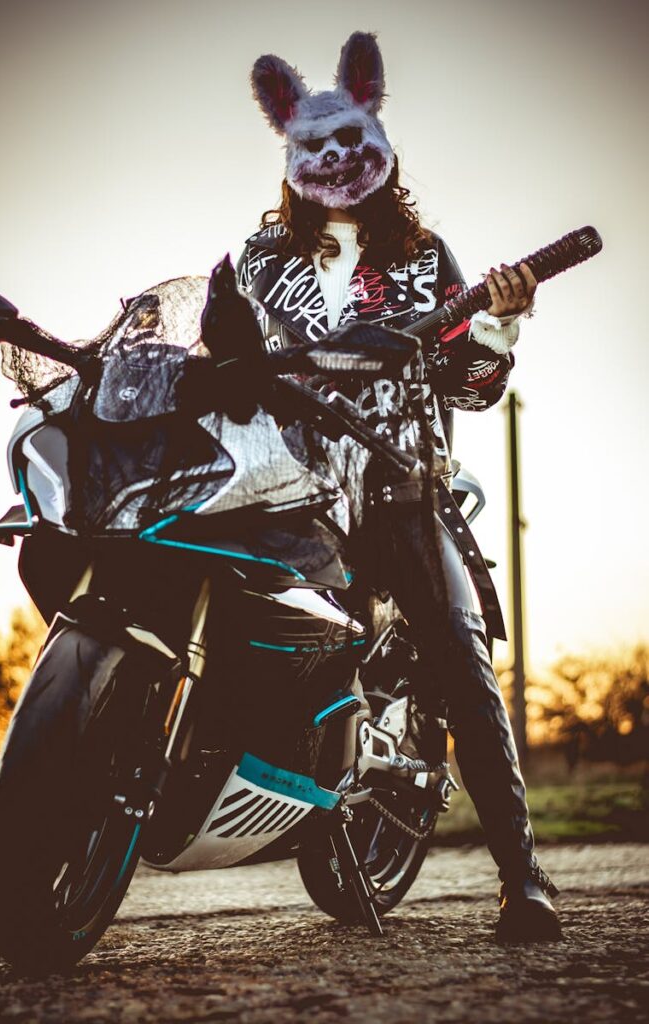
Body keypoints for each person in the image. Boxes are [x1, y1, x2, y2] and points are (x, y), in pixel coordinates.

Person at [238, 31, 561, 943]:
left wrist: (496, 325)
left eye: (351, 139)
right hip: (282, 491)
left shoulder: (427, 256)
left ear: (378, 139)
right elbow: (212, 346)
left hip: (400, 491)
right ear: (289, 150)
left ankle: (522, 878)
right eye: (317, 144)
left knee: (460, 665)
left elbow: (467, 384)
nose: (337, 158)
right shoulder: (257, 259)